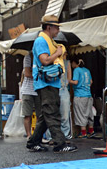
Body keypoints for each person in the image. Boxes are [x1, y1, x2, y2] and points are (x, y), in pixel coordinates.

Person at [26, 15, 78, 153]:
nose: (58, 30)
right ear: (49, 27)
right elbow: (45, 60)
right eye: (56, 27)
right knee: (52, 113)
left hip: (50, 82)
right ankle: (60, 143)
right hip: (46, 82)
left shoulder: (49, 41)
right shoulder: (41, 41)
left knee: (46, 114)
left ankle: (33, 142)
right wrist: (58, 53)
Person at [70, 59, 94, 138]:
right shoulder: (87, 70)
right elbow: (91, 82)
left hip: (80, 95)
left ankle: (83, 133)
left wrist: (68, 80)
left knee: (81, 114)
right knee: (89, 113)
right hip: (88, 95)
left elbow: (76, 82)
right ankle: (91, 131)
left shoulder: (76, 70)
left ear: (75, 63)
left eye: (72, 63)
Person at [21, 51, 42, 140]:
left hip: (38, 90)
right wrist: (39, 75)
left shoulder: (42, 57)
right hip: (27, 90)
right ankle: (29, 135)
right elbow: (27, 73)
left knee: (40, 115)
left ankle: (38, 135)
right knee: (27, 115)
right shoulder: (28, 57)